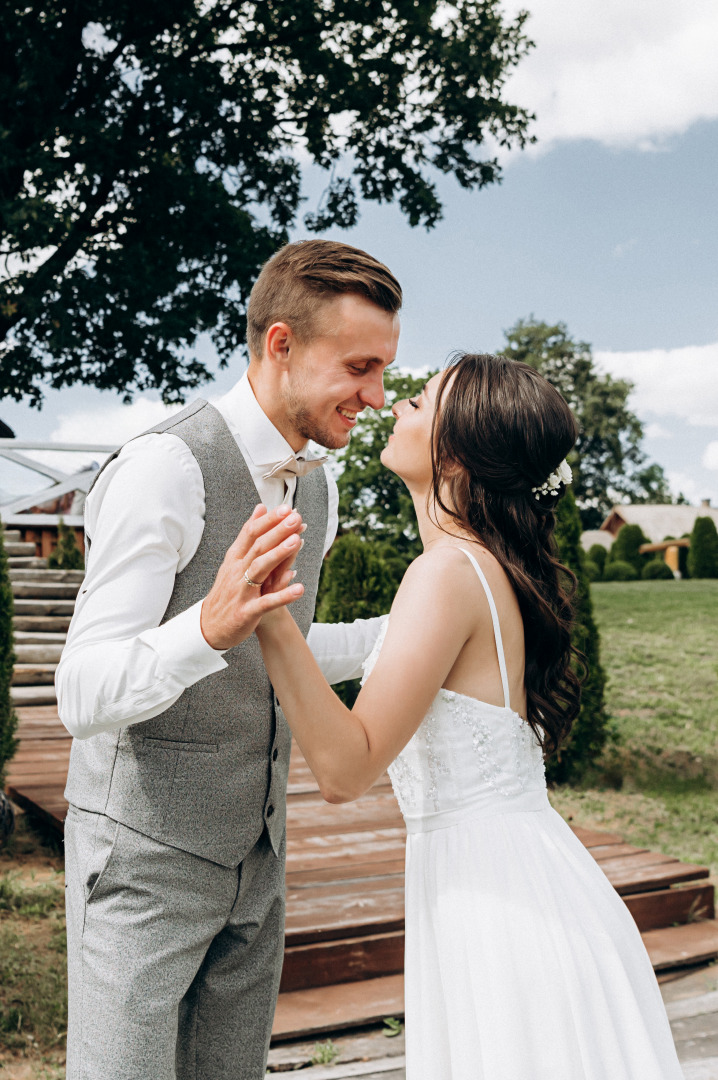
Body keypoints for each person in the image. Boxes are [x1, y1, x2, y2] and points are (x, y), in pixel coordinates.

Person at [252, 353, 684, 1080]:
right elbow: (344, 650)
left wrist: (264, 613)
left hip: (503, 907)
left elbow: (345, 769)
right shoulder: (471, 568)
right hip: (505, 882)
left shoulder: (448, 574)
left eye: (417, 402)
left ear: (457, 446)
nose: (394, 407)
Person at [56, 238, 399, 1080]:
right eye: (359, 367)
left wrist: (418, 629)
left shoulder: (317, 482)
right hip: (142, 860)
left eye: (385, 370)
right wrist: (204, 628)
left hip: (260, 859)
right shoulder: (164, 467)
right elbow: (80, 692)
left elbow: (276, 652)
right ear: (280, 345)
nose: (378, 396)